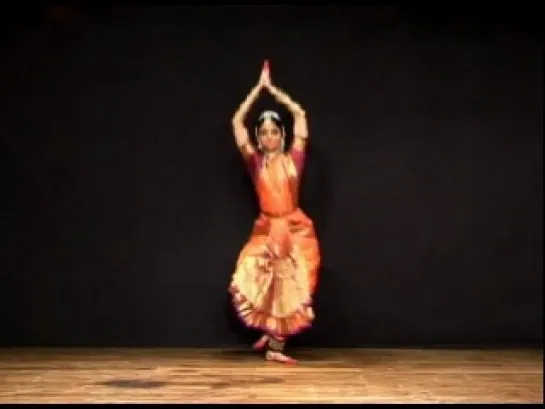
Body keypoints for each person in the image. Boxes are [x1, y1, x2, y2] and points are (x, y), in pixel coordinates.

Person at [229, 62, 321, 364]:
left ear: (281, 135)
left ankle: (274, 340)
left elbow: (300, 115)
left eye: (273, 131)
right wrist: (258, 89)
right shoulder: (256, 163)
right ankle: (274, 342)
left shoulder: (294, 159)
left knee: (297, 284)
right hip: (268, 227)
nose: (269, 137)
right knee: (262, 280)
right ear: (259, 137)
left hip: (294, 226)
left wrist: (274, 91)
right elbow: (237, 122)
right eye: (264, 132)